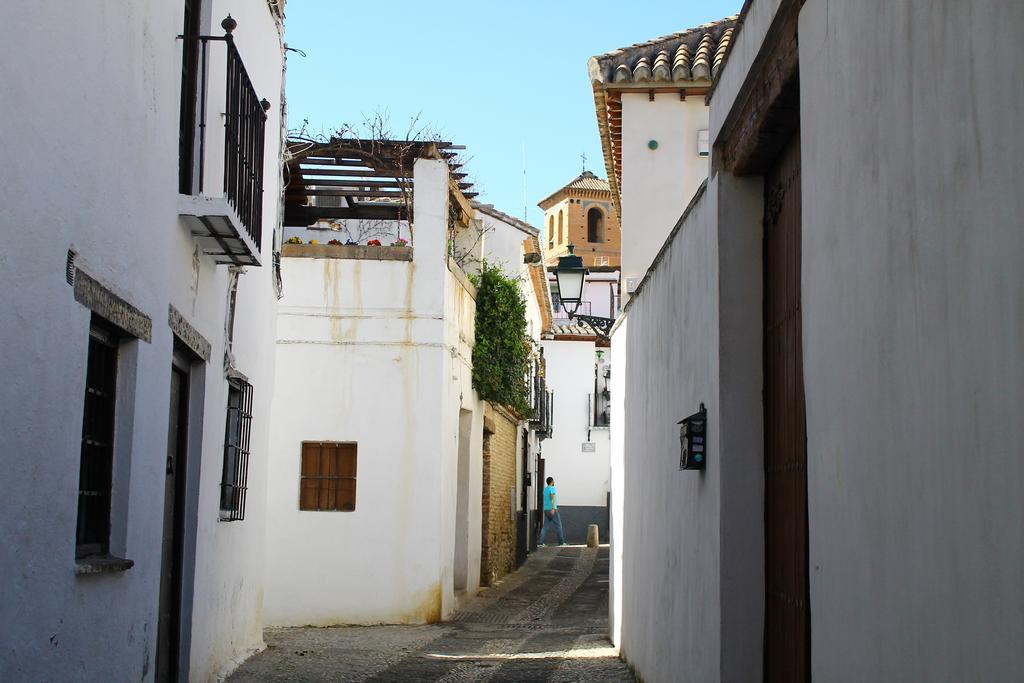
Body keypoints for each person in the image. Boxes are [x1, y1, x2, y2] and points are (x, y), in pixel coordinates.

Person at [538, 476, 566, 546]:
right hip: (552, 510)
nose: (554, 482)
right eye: (553, 481)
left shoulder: (545, 489)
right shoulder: (552, 488)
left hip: (546, 510)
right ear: (551, 481)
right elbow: (552, 498)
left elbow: (547, 499)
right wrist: (553, 508)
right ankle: (561, 543)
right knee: (558, 526)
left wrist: (555, 507)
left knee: (545, 527)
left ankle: (541, 543)